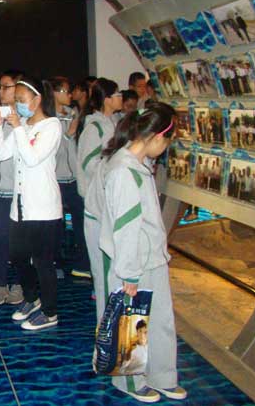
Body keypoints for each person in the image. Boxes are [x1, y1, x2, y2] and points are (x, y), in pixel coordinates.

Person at [99, 102, 187, 403]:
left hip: (152, 257)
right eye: (168, 141)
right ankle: (130, 380)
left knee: (161, 320)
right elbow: (125, 227)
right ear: (157, 137)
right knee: (133, 322)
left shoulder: (138, 165)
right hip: (135, 261)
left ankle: (162, 375)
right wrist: (129, 274)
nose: (166, 148)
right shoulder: (124, 171)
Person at [0, 76, 63, 330]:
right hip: (20, 207)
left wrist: (18, 128)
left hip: (43, 208)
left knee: (43, 262)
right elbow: (1, 154)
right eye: (17, 100)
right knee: (18, 256)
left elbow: (32, 158)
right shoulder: (22, 125)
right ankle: (32, 299)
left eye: (21, 99)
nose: (18, 104)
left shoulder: (52, 126)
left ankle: (50, 312)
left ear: (37, 99)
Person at [0, 70, 24, 305]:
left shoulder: (26, 121)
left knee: (19, 241)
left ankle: (19, 283)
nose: (1, 91)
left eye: (6, 86)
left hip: (18, 192)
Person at [50, 76, 90, 279]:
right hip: (55, 178)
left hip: (74, 177)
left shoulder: (74, 113)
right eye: (66, 91)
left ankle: (83, 264)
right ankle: (55, 263)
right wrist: (67, 135)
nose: (70, 95)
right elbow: (49, 148)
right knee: (55, 224)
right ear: (54, 93)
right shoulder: (47, 117)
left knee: (81, 220)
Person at [76, 78, 122, 199]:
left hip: (111, 188)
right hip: (96, 193)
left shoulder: (116, 121)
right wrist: (110, 172)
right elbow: (88, 163)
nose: (121, 97)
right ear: (107, 99)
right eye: (118, 94)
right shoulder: (94, 127)